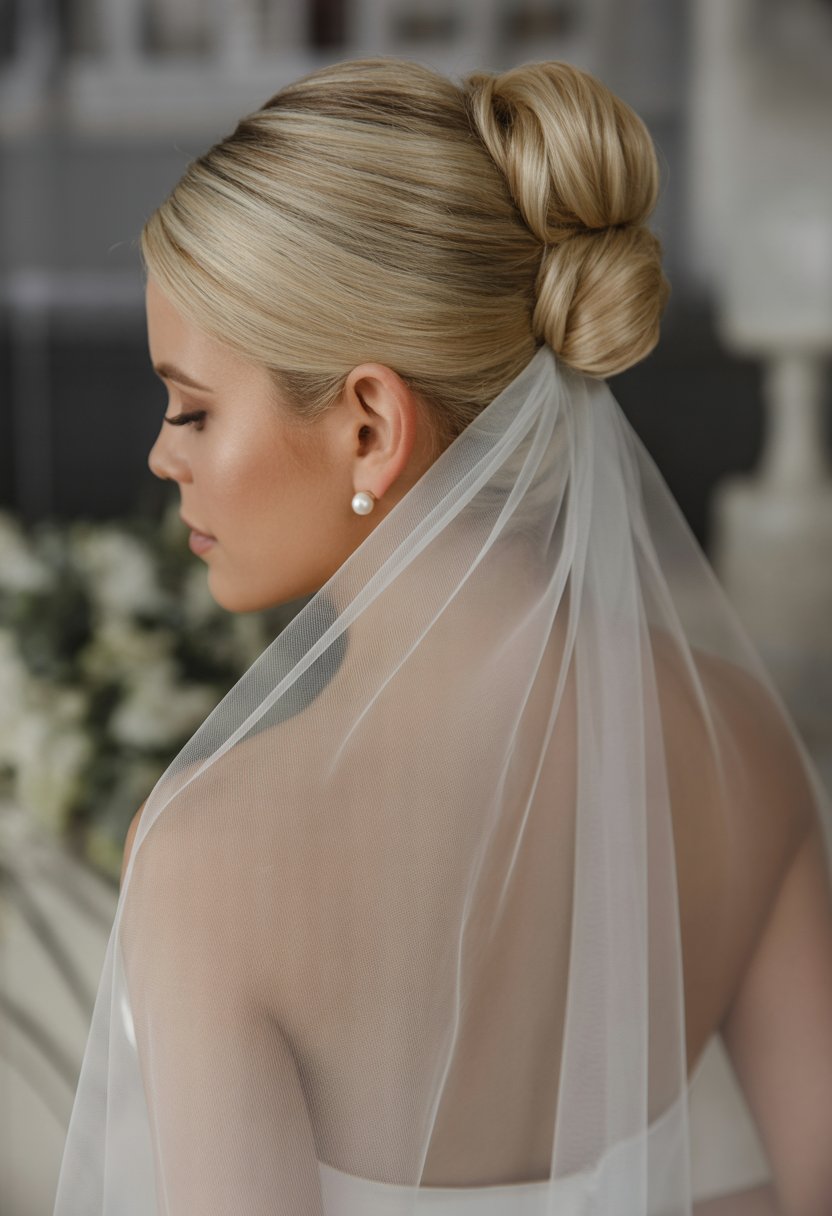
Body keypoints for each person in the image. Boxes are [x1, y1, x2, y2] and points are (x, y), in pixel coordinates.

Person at [53, 58, 832, 1216]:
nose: (165, 455)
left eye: (196, 408)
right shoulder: (743, 745)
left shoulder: (209, 862)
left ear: (371, 425)